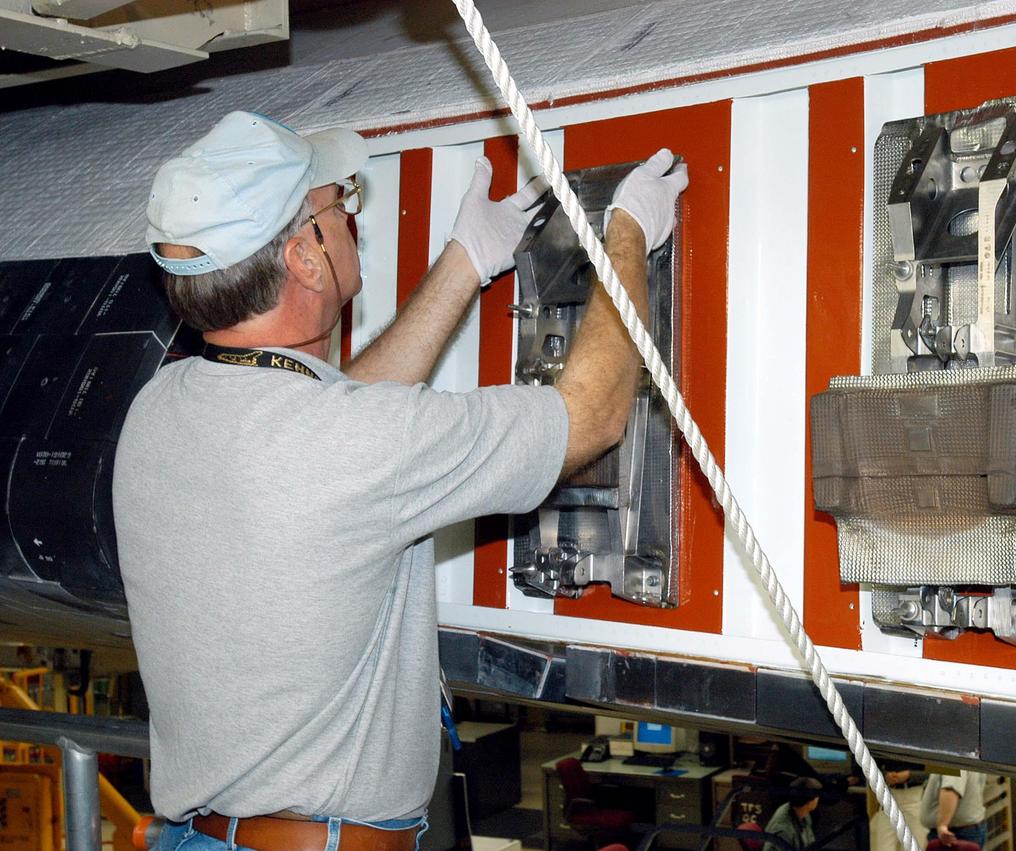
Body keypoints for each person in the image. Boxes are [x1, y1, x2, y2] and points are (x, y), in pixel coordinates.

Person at [112, 110, 687, 851]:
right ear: (305, 261)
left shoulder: (159, 410)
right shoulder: (349, 445)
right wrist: (627, 237)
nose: (352, 215)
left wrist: (464, 262)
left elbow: (333, 426)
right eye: (338, 203)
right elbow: (592, 418)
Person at [918, 770, 988, 848]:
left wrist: (942, 825)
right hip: (959, 830)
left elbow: (951, 789)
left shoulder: (954, 759)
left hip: (954, 834)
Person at [869, 763, 929, 851]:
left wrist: (911, 775)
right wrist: (885, 775)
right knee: (883, 847)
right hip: (889, 794)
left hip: (914, 796)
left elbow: (935, 774)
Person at [763, 776, 824, 851]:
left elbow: (810, 843)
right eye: (817, 797)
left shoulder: (804, 813)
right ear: (809, 802)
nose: (818, 799)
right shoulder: (783, 830)